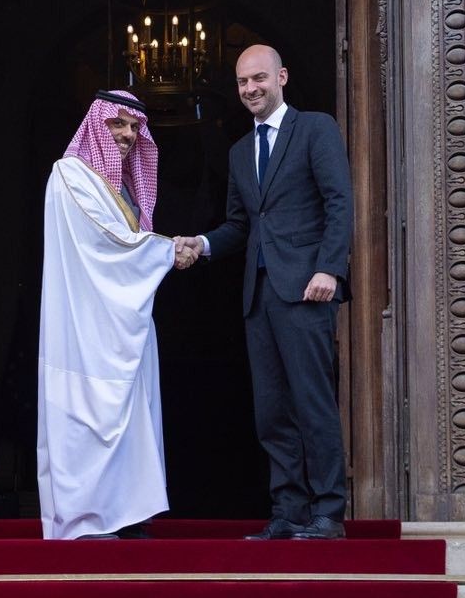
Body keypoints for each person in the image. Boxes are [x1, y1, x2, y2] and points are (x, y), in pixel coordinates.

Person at [178, 44, 353, 540]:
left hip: (308, 289)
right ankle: (290, 511)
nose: (250, 88)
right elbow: (241, 225)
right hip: (259, 295)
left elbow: (339, 202)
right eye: (242, 82)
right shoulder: (239, 152)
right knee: (272, 410)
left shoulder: (315, 128)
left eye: (259, 78)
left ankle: (328, 513)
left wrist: (329, 270)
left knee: (312, 402)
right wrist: (203, 244)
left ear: (282, 76)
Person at [36, 90, 178, 539]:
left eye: (135, 127)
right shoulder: (70, 174)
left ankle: (128, 515)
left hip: (124, 323)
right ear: (97, 124)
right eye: (118, 123)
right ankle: (87, 519)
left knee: (133, 417)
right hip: (83, 327)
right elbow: (106, 243)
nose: (128, 134)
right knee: (87, 416)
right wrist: (169, 251)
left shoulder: (123, 189)